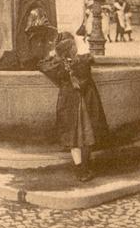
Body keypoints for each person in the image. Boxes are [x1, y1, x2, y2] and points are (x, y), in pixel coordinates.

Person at [39, 32, 109, 182]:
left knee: (73, 138)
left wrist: (54, 55)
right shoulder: (83, 63)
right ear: (73, 49)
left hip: (68, 103)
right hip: (87, 103)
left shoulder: (58, 67)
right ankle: (85, 167)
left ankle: (79, 169)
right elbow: (90, 58)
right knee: (88, 136)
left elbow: (42, 64)